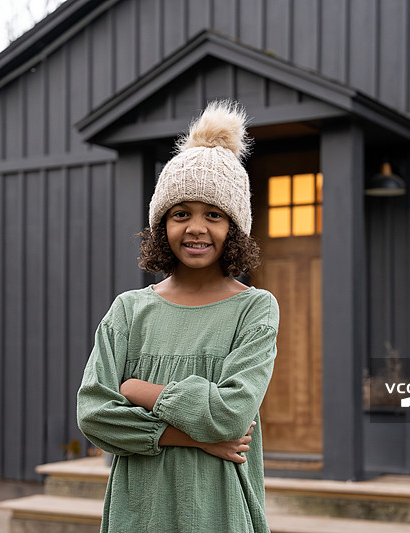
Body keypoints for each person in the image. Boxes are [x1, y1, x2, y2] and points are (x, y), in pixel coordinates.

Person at [77, 100, 279, 533]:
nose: (196, 228)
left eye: (214, 215)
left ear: (234, 228)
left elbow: (230, 416)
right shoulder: (129, 311)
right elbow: (94, 414)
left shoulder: (254, 309)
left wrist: (138, 390)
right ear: (161, 225)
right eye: (180, 213)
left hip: (219, 512)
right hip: (139, 514)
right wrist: (189, 436)